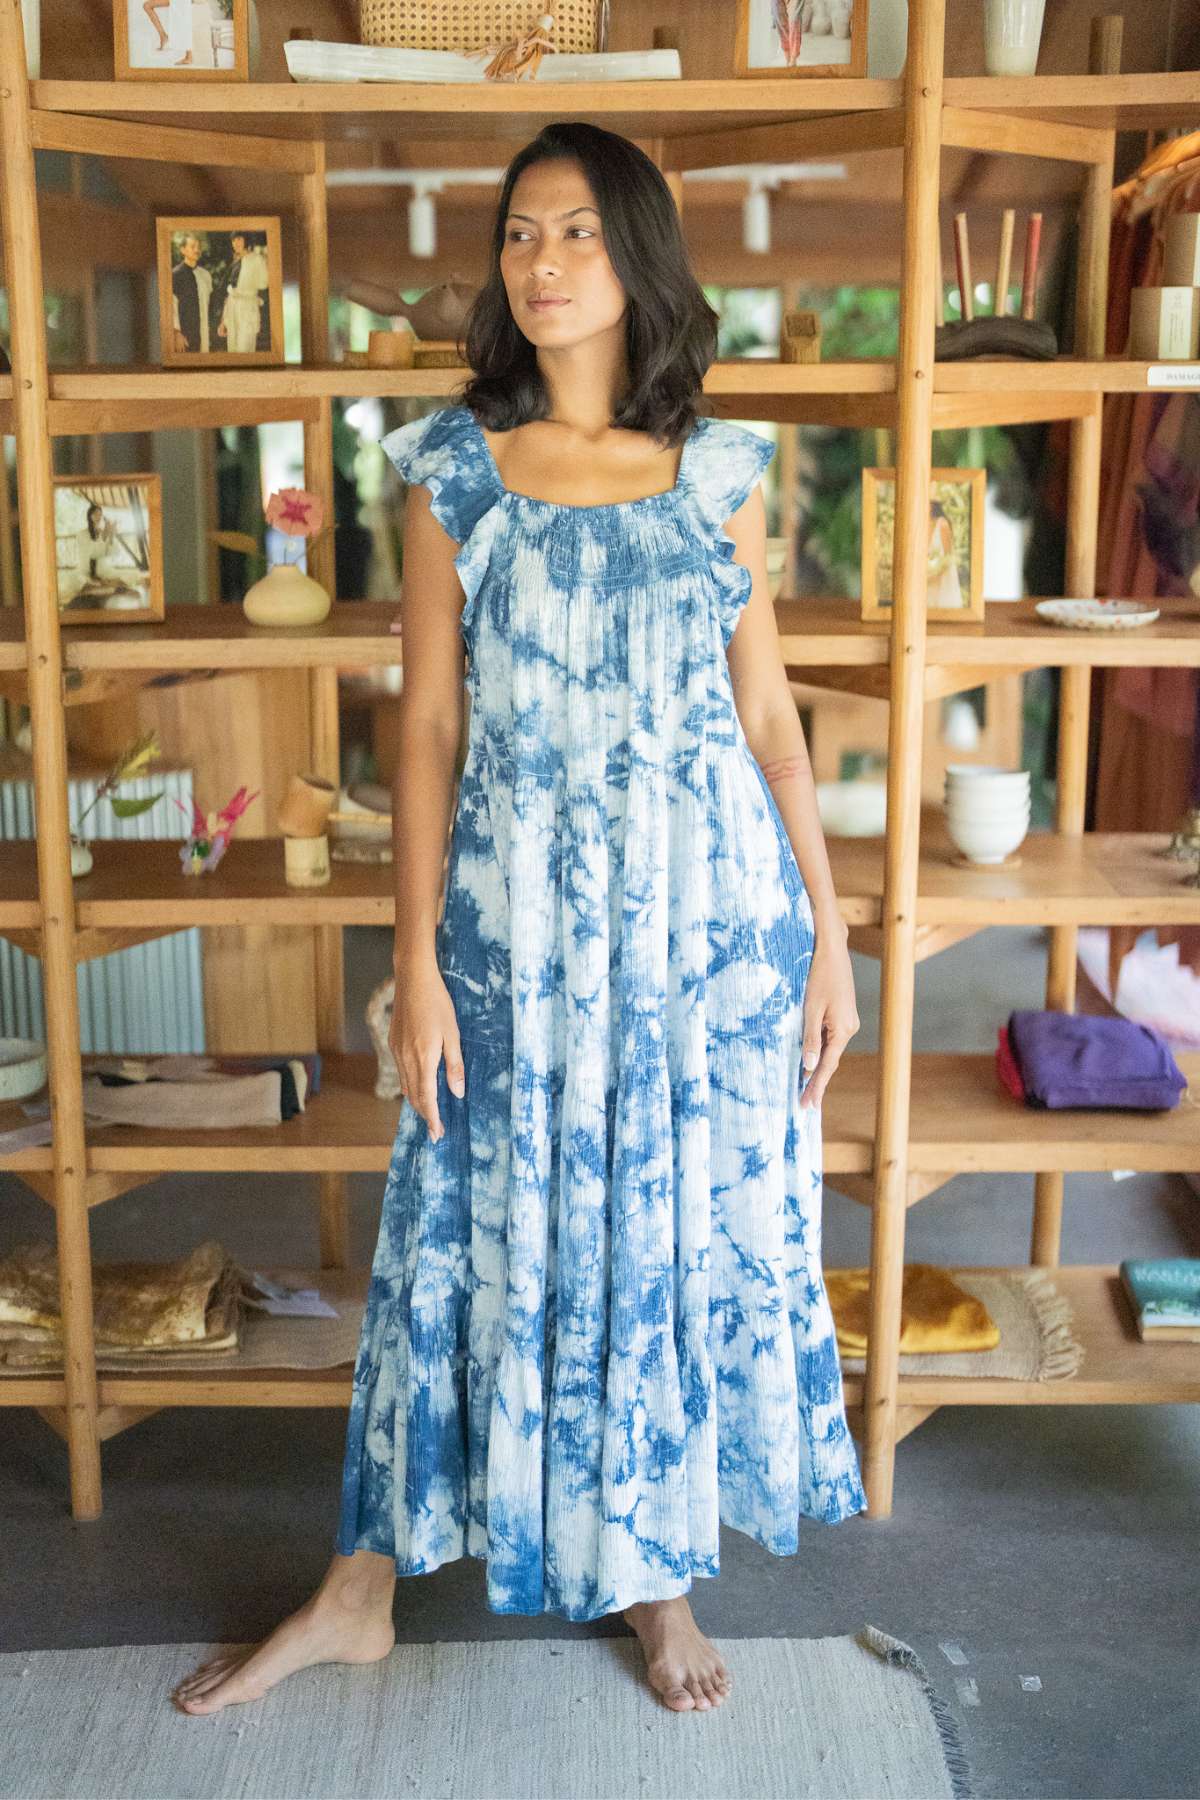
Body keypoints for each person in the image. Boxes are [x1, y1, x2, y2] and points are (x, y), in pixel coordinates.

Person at [172, 120, 866, 1724]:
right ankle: (355, 1596)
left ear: (636, 255)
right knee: (445, 1239)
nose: (540, 266)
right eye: (516, 236)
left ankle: (653, 1577)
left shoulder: (720, 472)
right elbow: (421, 731)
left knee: (659, 1228)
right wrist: (409, 962)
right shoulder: (452, 470)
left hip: (705, 936)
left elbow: (770, 722)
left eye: (572, 234)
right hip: (510, 942)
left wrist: (829, 937)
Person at [217, 231, 270, 353]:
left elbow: (263, 284)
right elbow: (229, 294)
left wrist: (249, 295)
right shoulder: (234, 263)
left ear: (246, 240)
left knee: (245, 349)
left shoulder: (257, 259)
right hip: (232, 310)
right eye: (233, 240)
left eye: (239, 239)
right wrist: (223, 321)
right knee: (232, 350)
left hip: (248, 309)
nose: (236, 243)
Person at [171, 233, 213, 354]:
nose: (197, 250)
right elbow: (171, 306)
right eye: (193, 246)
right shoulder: (175, 275)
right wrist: (176, 333)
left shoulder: (205, 275)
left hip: (203, 334)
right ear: (183, 250)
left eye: (198, 247)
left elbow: (208, 305)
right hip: (184, 337)